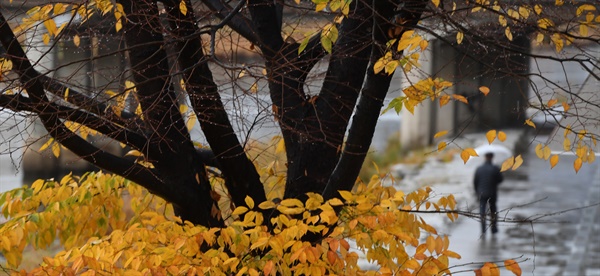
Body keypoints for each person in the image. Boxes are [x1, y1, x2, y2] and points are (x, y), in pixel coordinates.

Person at [474, 152, 503, 235]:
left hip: (482, 193)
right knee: (493, 210)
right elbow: (500, 180)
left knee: (482, 211)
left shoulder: (479, 168)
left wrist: (477, 192)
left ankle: (483, 229)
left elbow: (475, 182)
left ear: (485, 157)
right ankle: (493, 228)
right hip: (492, 193)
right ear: (492, 157)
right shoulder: (495, 168)